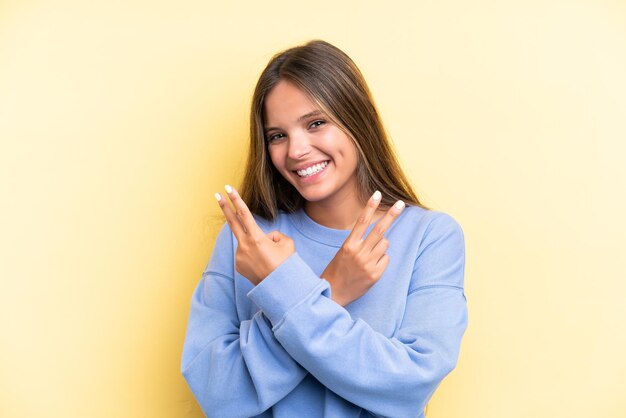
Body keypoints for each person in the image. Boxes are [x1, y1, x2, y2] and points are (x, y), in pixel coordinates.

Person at [181, 40, 468, 418]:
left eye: (316, 123)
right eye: (277, 135)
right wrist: (330, 292)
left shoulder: (430, 237)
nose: (296, 150)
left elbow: (409, 384)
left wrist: (291, 293)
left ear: (356, 120)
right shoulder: (247, 239)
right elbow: (218, 393)